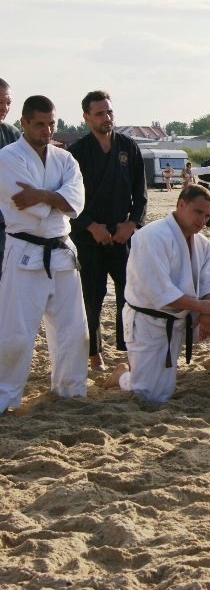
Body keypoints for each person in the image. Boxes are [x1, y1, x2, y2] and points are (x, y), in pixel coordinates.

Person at [101, 185, 210, 402]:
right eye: (198, 212)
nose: (202, 220)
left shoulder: (201, 243)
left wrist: (209, 311)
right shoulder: (152, 236)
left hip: (188, 318)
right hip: (151, 322)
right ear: (181, 205)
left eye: (207, 215)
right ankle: (122, 376)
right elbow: (159, 292)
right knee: (151, 395)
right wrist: (201, 306)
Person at [0, 95, 88, 412]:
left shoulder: (65, 159)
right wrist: (55, 198)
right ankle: (6, 396)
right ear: (23, 122)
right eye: (39, 124)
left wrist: (44, 195)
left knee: (74, 332)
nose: (47, 130)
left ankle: (70, 390)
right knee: (16, 334)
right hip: (24, 250)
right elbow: (27, 205)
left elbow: (76, 203)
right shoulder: (7, 158)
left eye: (51, 123)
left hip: (62, 251)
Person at [67, 90, 147, 371]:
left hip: (122, 233)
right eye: (99, 113)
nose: (106, 117)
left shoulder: (128, 147)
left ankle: (128, 349)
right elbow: (69, 199)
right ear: (87, 117)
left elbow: (141, 193)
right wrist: (90, 226)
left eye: (109, 111)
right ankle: (94, 354)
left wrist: (132, 223)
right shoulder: (76, 152)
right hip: (89, 236)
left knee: (130, 294)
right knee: (92, 296)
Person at [0, 78, 24, 281]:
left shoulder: (12, 134)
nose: (5, 108)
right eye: (0, 102)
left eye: (8, 103)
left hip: (7, 223)